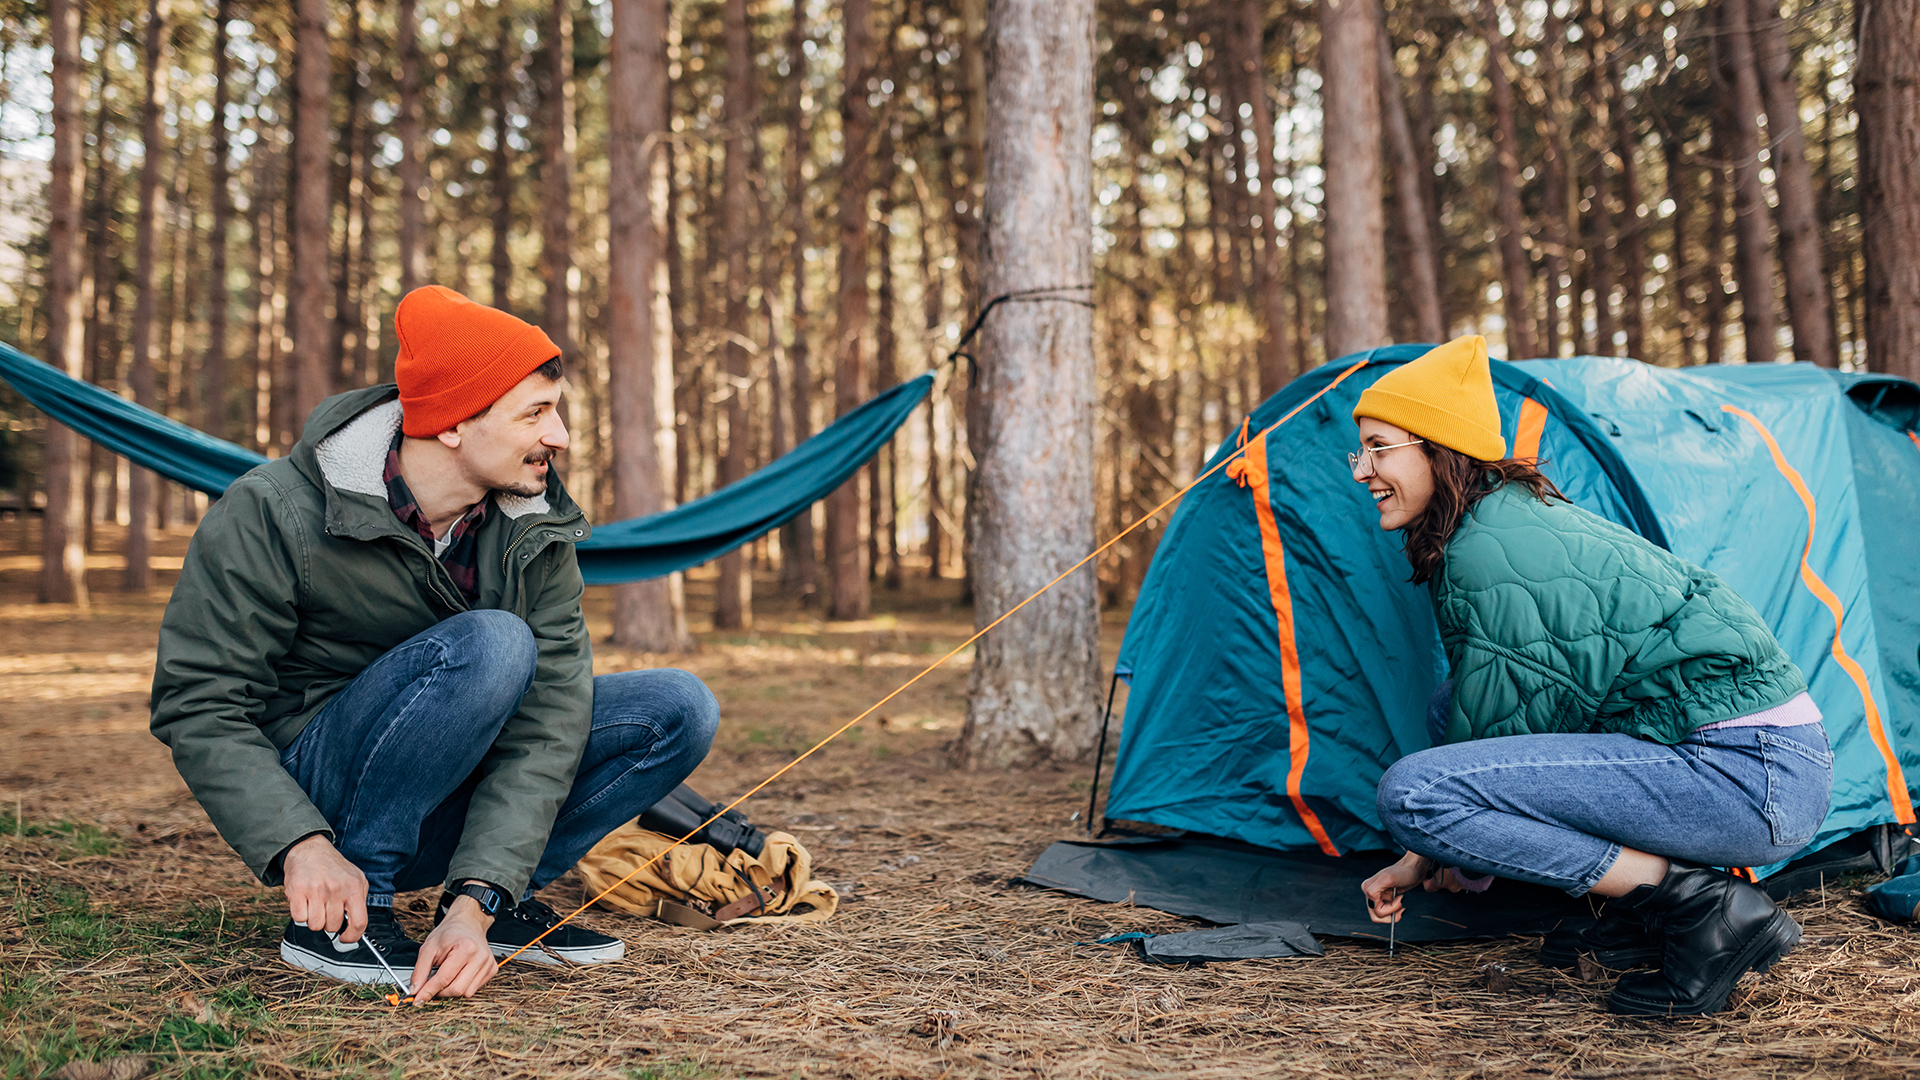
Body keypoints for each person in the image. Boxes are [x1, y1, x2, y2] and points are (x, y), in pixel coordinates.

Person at [151, 286, 719, 1005]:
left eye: (558, 410)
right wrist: (301, 844)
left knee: (676, 707)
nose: (561, 436)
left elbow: (550, 725)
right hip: (319, 791)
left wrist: (475, 900)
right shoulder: (274, 511)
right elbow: (198, 704)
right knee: (493, 644)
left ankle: (494, 907)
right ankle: (349, 916)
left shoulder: (532, 528)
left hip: (446, 797)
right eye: (536, 414)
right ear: (453, 424)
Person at [1351, 336, 1832, 1017]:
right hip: (1752, 759)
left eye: (1378, 448)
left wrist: (1430, 855)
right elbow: (1503, 714)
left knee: (1415, 797)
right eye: (1361, 451)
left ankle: (1703, 910)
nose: (1362, 471)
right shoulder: (1499, 518)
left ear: (1437, 445)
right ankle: (1623, 916)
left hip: (1751, 777)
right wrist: (1434, 860)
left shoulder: (1489, 552)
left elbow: (1498, 742)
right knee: (1447, 708)